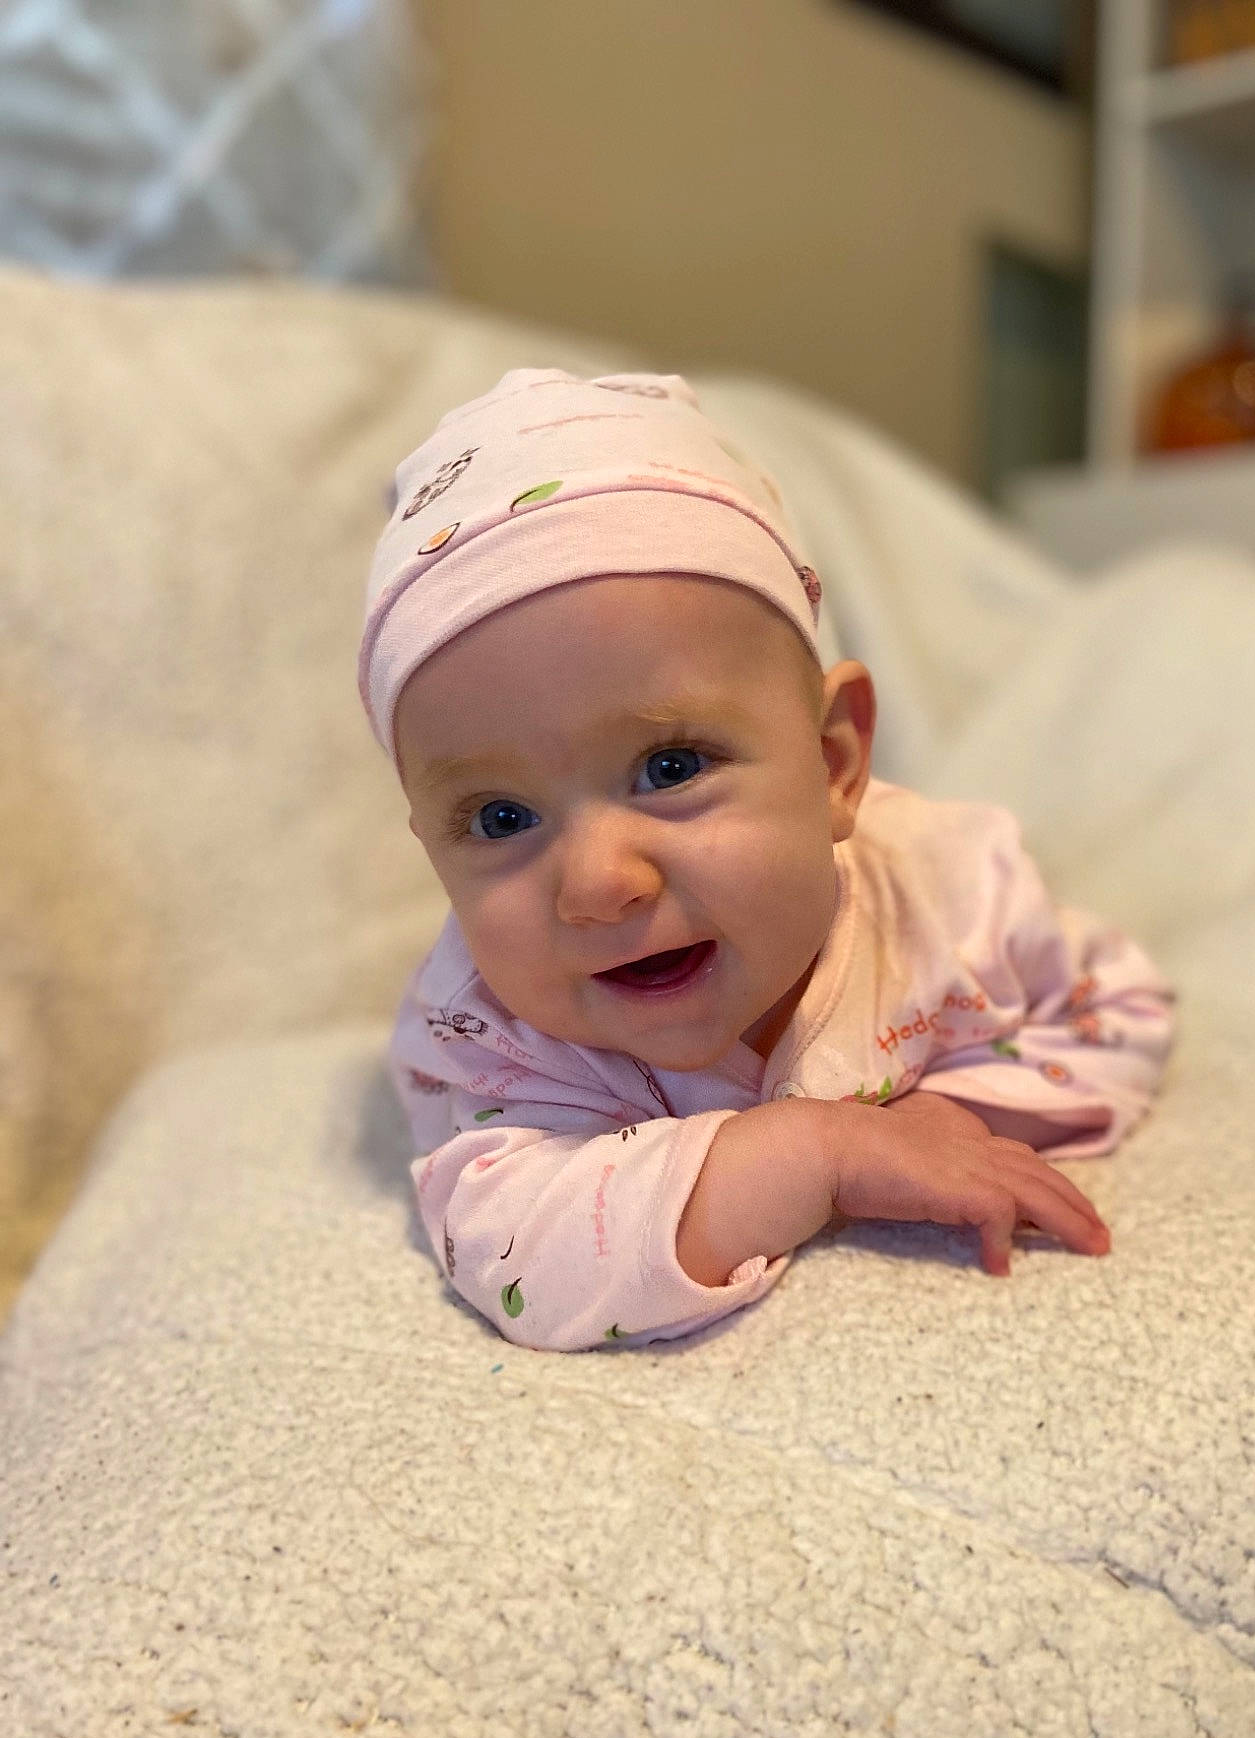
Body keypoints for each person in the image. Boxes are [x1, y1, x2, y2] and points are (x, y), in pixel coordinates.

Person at [359, 369, 1175, 1352]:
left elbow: (1116, 1005)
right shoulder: (496, 1040)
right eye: (497, 817)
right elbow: (526, 1252)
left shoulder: (950, 893)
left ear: (835, 762)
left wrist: (944, 1113)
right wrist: (823, 1152)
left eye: (668, 766)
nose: (599, 882)